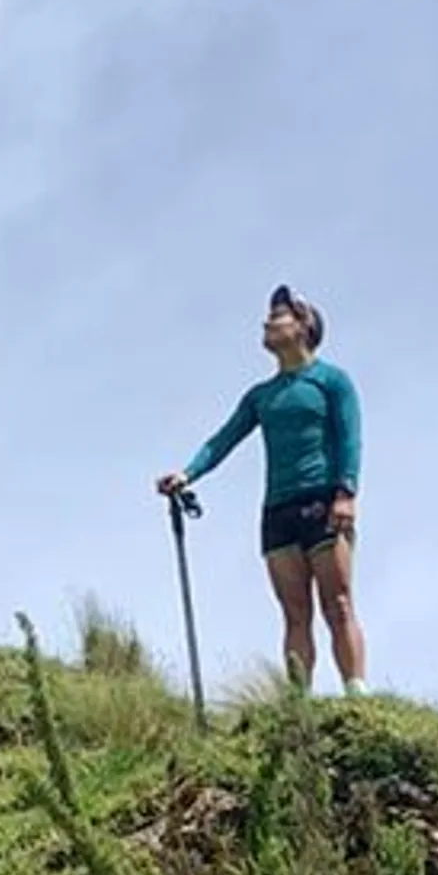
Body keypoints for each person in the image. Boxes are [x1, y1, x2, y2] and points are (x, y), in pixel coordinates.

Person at [160, 288, 364, 690]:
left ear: (304, 326)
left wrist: (346, 492)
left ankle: (356, 691)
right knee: (294, 612)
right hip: (278, 509)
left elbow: (350, 438)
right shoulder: (261, 396)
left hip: (323, 500)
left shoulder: (332, 381)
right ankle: (297, 700)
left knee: (337, 603)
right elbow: (224, 439)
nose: (267, 323)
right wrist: (187, 474)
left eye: (278, 316)